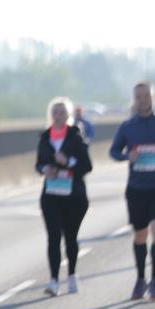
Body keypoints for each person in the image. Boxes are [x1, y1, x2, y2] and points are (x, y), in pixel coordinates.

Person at [109, 82, 155, 301]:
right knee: (141, 236)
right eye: (138, 96)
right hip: (136, 189)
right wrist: (125, 157)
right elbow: (113, 151)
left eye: (146, 96)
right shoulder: (127, 127)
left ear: (153, 97)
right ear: (134, 99)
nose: (142, 100)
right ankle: (140, 279)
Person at [36, 97, 92, 296]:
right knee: (52, 237)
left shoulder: (76, 136)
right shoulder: (45, 137)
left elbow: (87, 166)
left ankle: (72, 275)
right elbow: (38, 164)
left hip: (73, 196)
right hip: (51, 195)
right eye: (55, 113)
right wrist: (46, 168)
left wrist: (68, 162)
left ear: (68, 116)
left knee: (70, 238)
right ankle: (53, 281)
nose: (58, 116)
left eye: (62, 113)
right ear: (51, 115)